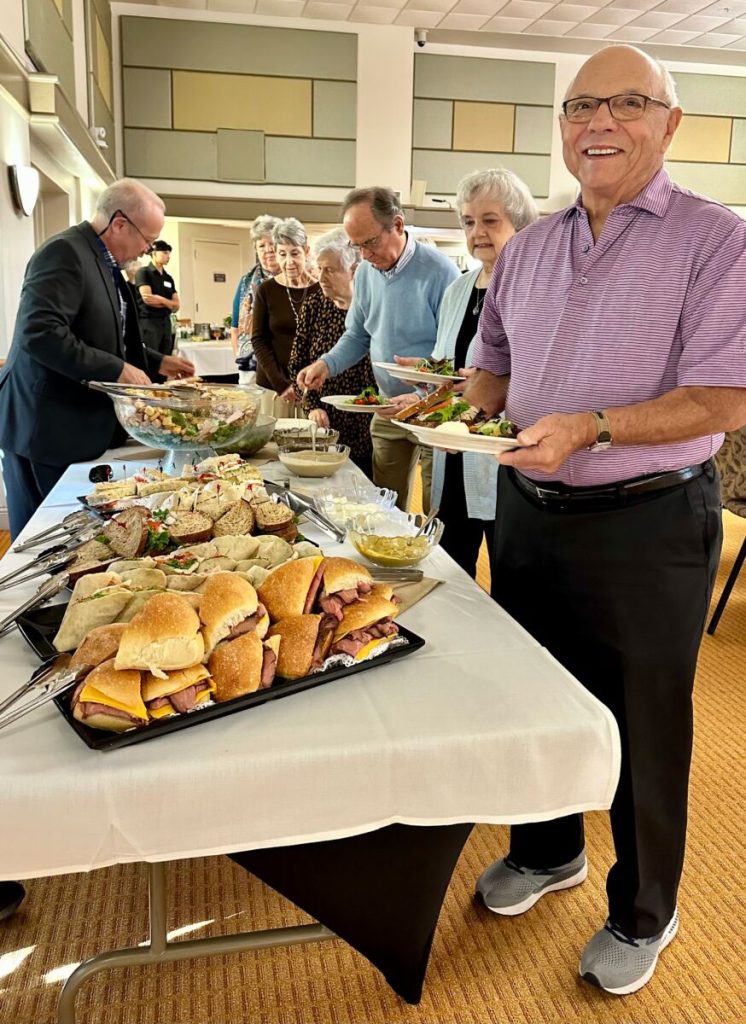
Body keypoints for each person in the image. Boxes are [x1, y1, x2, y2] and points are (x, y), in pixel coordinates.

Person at [468, 45, 746, 996]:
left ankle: (646, 908)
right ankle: (549, 853)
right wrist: (460, 406)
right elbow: (491, 359)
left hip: (649, 521)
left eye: (628, 103)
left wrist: (592, 426)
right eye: (582, 105)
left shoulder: (717, 240)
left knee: (644, 721)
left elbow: (723, 397)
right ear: (562, 128)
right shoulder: (532, 246)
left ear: (670, 124)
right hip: (528, 509)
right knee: (529, 696)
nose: (599, 122)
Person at [0, 178, 194, 540]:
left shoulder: (105, 263)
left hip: (75, 424)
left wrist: (155, 362)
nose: (147, 249)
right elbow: (40, 334)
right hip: (45, 425)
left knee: (77, 539)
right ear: (119, 223)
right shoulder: (63, 252)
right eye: (147, 239)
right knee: (46, 540)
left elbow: (105, 337)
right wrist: (118, 370)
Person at [399, 169, 538, 579]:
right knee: (449, 570)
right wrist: (425, 390)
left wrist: (468, 391)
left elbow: (532, 374)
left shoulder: (534, 288)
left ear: (518, 223)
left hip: (505, 458)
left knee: (510, 577)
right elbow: (450, 367)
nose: (477, 231)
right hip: (453, 451)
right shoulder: (458, 288)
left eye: (490, 220)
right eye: (468, 221)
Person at [297, 187, 459, 512]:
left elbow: (455, 353)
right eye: (357, 246)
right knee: (383, 503)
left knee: (434, 507)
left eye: (370, 243)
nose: (365, 256)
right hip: (387, 408)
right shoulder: (368, 274)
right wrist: (326, 364)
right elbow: (357, 335)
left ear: (397, 226)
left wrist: (424, 393)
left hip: (432, 408)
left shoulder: (442, 273)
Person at [288, 228, 375, 480]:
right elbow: (298, 365)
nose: (322, 277)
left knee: (369, 487)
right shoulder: (314, 306)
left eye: (330, 270)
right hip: (326, 422)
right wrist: (312, 407)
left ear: (353, 270)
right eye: (320, 269)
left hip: (368, 421)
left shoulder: (372, 306)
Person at [251, 218, 319, 417]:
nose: (289, 262)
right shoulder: (266, 290)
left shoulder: (320, 291)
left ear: (306, 252)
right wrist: (281, 384)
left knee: (310, 443)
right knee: (274, 445)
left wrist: (310, 381)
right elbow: (258, 340)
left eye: (295, 253)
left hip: (311, 387)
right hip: (274, 387)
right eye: (282, 254)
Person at [230, 214, 281, 358]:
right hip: (251, 362)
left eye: (272, 243)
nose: (268, 250)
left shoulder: (294, 279)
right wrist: (241, 359)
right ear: (256, 249)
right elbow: (235, 327)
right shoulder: (246, 282)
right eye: (262, 245)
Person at [135, 239, 179, 355]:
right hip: (149, 323)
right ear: (153, 253)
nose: (168, 256)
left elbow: (177, 305)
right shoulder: (143, 273)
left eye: (169, 253)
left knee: (166, 358)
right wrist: (169, 303)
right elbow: (148, 299)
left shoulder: (168, 278)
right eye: (164, 253)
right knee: (152, 359)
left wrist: (159, 299)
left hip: (166, 323)